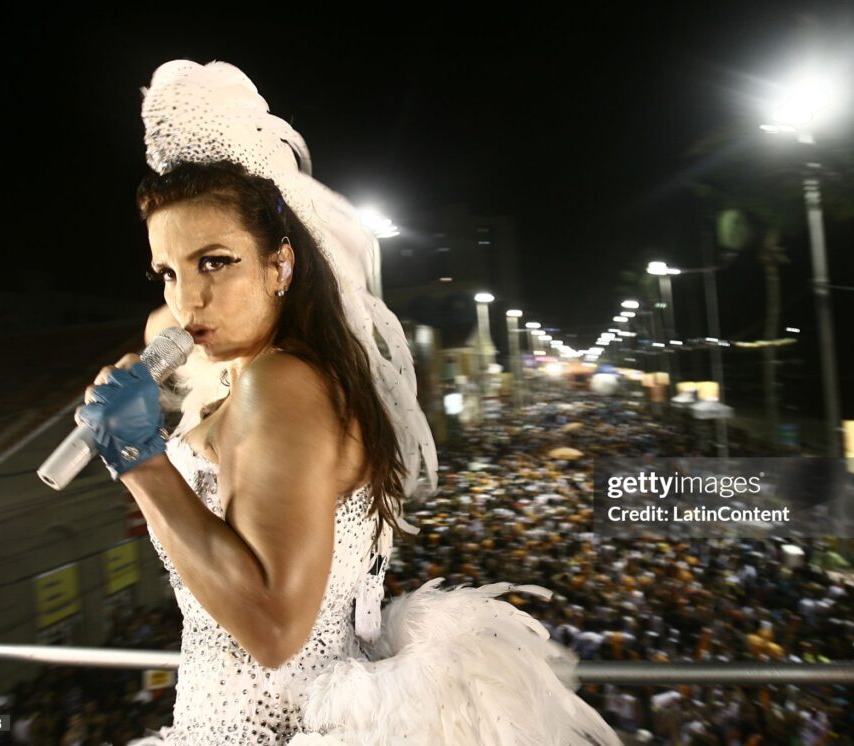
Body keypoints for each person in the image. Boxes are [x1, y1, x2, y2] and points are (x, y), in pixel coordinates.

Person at [75, 59, 621, 746]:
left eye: (216, 262)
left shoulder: (284, 384)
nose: (189, 299)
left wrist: (139, 461)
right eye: (168, 272)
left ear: (281, 264)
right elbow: (171, 328)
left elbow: (274, 626)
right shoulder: (269, 372)